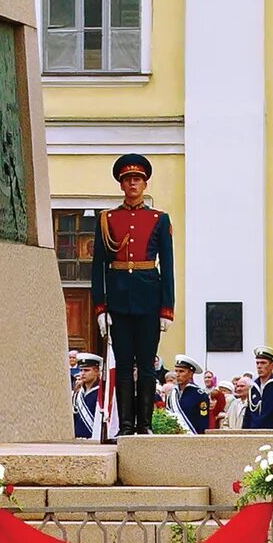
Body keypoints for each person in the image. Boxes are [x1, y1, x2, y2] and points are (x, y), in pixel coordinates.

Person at [91, 155, 175, 442]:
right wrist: (100, 307)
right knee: (124, 364)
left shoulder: (159, 219)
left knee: (147, 364)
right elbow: (99, 266)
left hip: (149, 299)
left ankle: (145, 425)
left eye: (137, 179)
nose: (132, 184)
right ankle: (126, 425)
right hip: (118, 301)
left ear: (145, 183)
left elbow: (168, 266)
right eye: (127, 180)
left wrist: (167, 308)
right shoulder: (107, 219)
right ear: (121, 185)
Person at [69, 353, 106, 440]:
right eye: (81, 370)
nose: (82, 373)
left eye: (86, 370)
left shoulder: (102, 393)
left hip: (94, 440)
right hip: (77, 440)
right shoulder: (78, 393)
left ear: (96, 371)